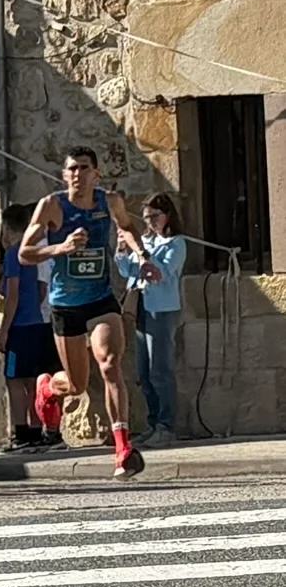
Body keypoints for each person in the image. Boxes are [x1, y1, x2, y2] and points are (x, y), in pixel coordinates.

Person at [20, 147, 161, 479]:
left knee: (110, 365)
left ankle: (123, 449)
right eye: (72, 169)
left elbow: (127, 227)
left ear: (96, 174)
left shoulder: (109, 201)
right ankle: (48, 389)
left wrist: (143, 257)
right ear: (64, 175)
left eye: (84, 168)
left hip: (100, 299)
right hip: (65, 304)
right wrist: (62, 247)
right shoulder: (52, 206)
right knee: (77, 384)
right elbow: (25, 253)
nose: (77, 174)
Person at [0, 202, 60, 451]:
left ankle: (20, 432)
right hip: (36, 321)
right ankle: (36, 429)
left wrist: (4, 329)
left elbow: (12, 295)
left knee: (14, 381)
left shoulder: (14, 254)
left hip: (20, 324)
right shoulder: (32, 255)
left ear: (8, 229)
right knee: (34, 381)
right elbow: (40, 289)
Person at [123, 193, 186, 446]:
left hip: (162, 308)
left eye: (154, 216)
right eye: (146, 217)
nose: (150, 222)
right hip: (142, 305)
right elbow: (127, 270)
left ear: (167, 215)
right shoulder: (146, 241)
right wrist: (123, 251)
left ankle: (166, 425)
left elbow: (163, 274)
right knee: (144, 370)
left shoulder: (176, 243)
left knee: (161, 368)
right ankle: (153, 422)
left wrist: (144, 253)